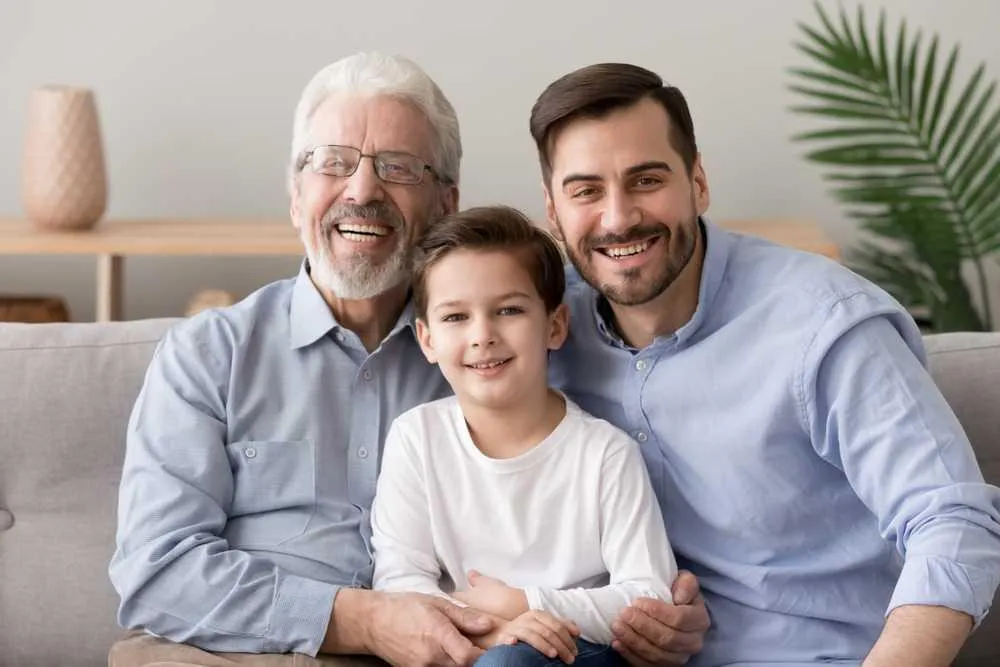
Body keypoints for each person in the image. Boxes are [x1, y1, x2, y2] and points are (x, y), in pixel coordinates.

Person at [107, 52, 707, 667]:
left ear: (446, 203)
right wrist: (362, 620)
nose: (362, 190)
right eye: (332, 163)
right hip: (237, 652)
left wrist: (658, 613)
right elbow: (156, 572)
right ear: (296, 195)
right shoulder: (209, 356)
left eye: (397, 168)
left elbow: (658, 384)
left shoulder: (517, 340)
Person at [528, 62, 1000, 666]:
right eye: (586, 190)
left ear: (698, 182)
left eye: (646, 180)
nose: (618, 218)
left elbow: (953, 519)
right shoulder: (542, 328)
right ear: (553, 210)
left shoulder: (823, 324)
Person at [370, 205, 677, 667]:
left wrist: (523, 604)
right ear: (427, 340)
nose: (483, 335)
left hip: (584, 651)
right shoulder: (417, 438)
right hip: (476, 645)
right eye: (456, 318)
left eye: (509, 310)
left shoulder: (604, 452)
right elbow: (399, 582)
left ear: (553, 325)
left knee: (512, 662)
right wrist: (496, 627)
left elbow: (649, 593)